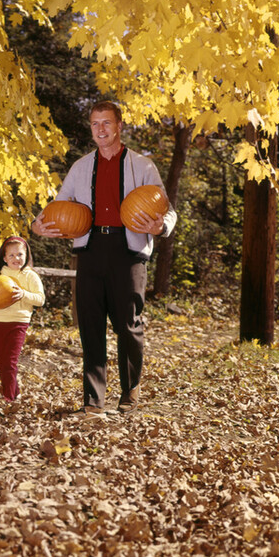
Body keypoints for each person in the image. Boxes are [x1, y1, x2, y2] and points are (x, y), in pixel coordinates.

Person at [32, 100, 177, 417]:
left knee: (128, 324)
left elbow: (167, 210)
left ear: (120, 125)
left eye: (107, 123)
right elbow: (58, 207)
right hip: (90, 248)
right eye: (95, 123)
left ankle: (130, 389)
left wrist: (161, 225)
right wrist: (37, 225)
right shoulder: (81, 167)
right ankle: (93, 400)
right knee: (90, 324)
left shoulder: (142, 166)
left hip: (128, 249)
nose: (101, 129)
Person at [0, 236, 45, 403]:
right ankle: (14, 390)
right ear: (4, 258)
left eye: (19, 254)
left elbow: (40, 299)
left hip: (18, 322)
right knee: (0, 361)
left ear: (26, 256)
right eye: (11, 255)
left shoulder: (30, 276)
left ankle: (9, 398)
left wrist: (24, 294)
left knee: (9, 361)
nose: (16, 258)